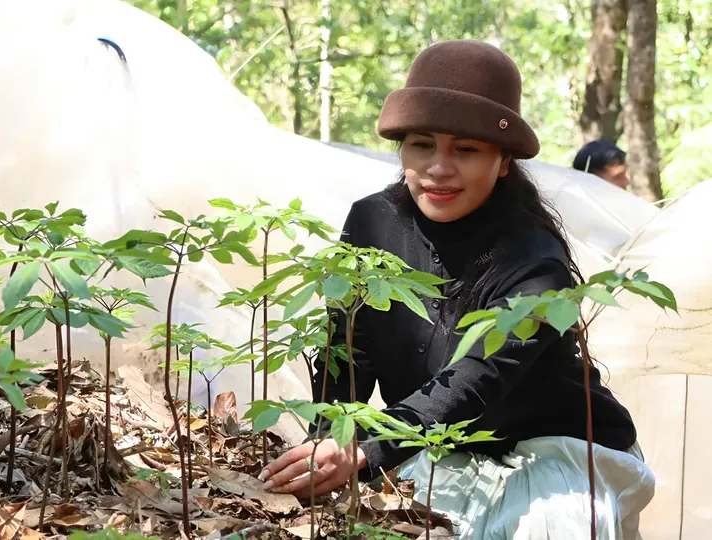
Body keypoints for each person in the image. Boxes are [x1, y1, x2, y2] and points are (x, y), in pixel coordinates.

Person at [258, 40, 654, 539]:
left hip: (560, 450)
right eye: (422, 144)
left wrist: (366, 450)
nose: (439, 169)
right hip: (435, 442)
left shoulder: (536, 259)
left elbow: (477, 376)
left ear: (504, 160)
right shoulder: (372, 221)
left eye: (465, 149)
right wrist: (329, 442)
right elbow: (346, 347)